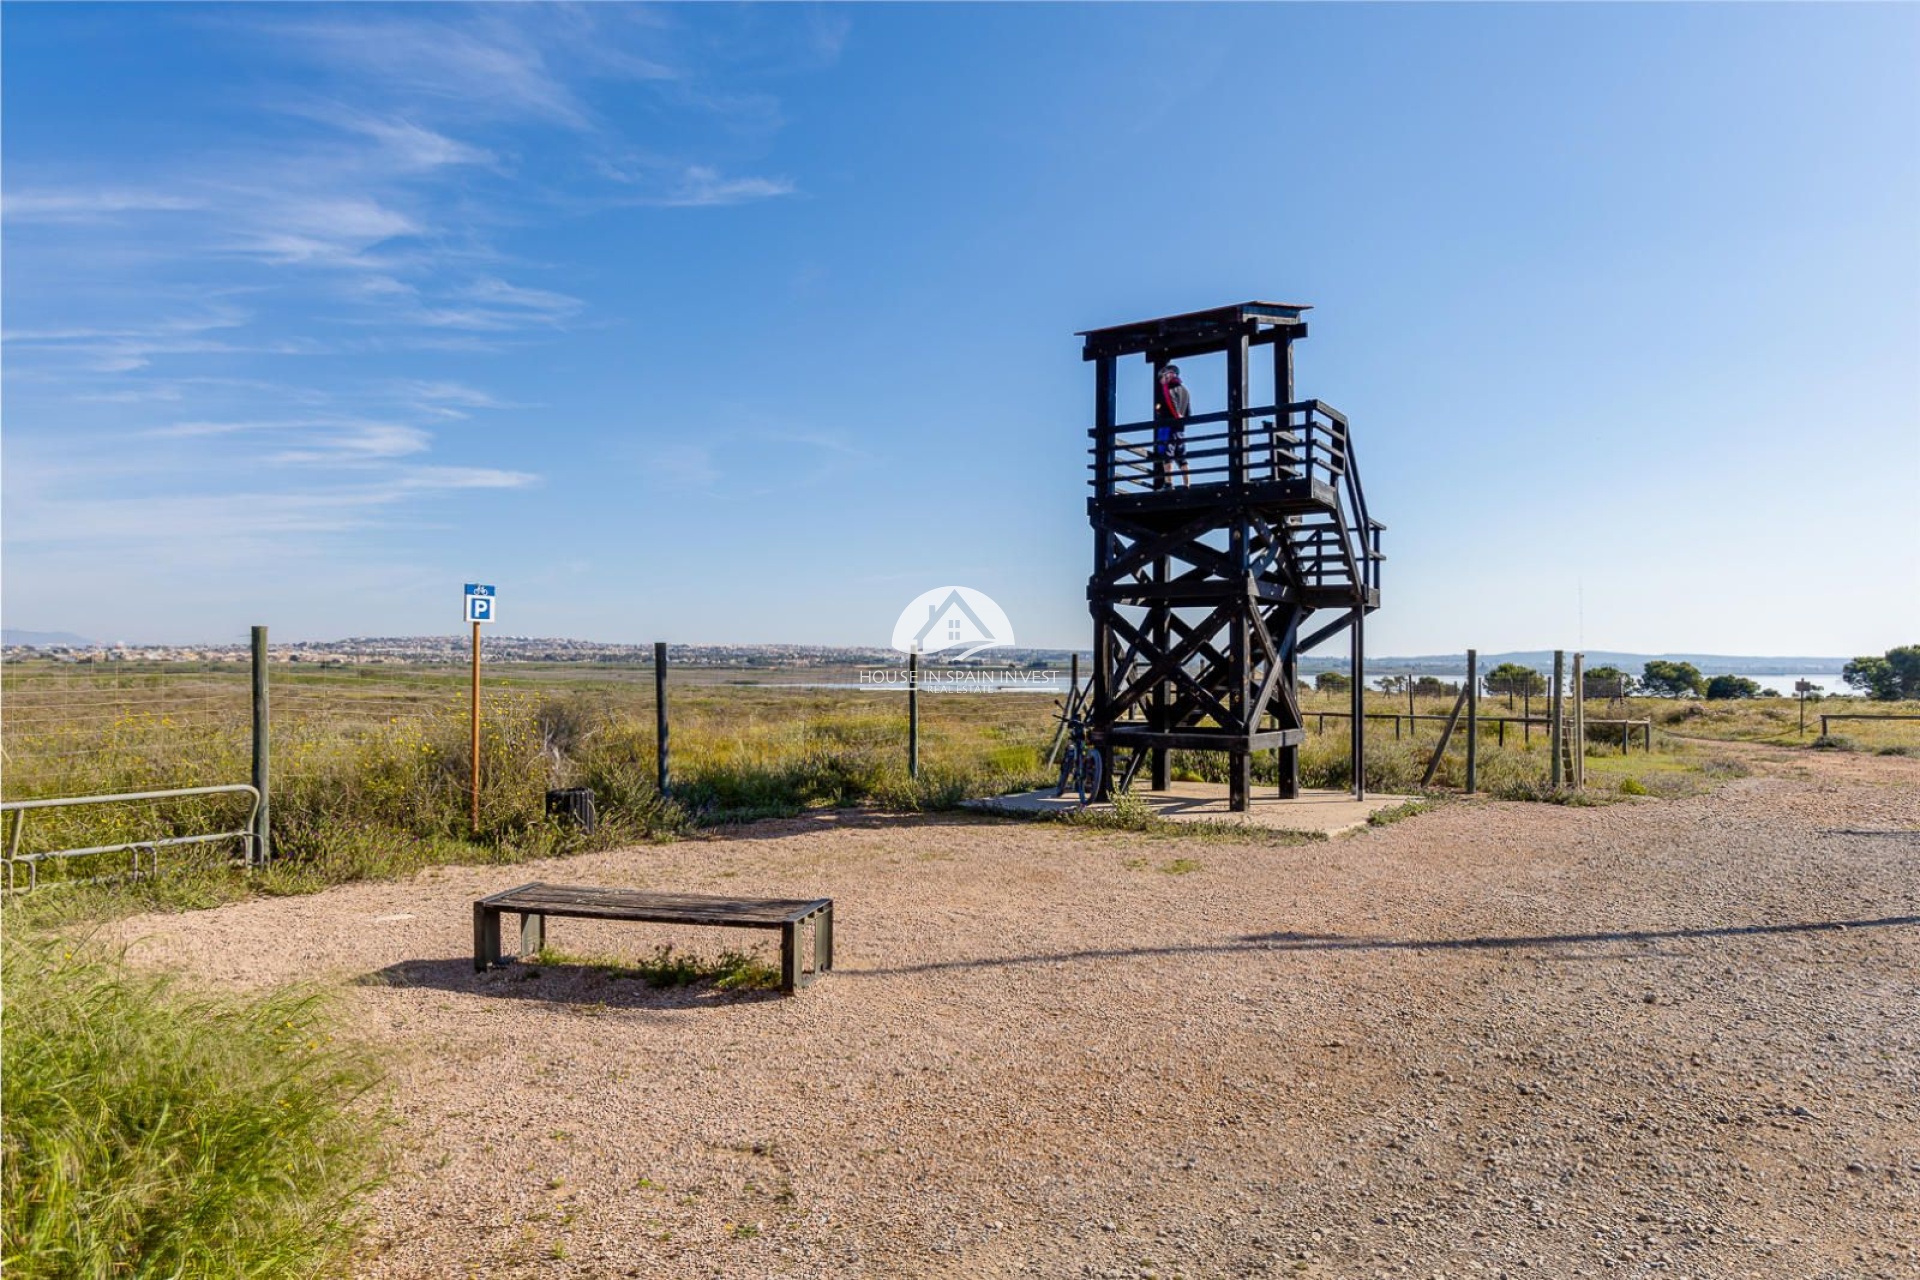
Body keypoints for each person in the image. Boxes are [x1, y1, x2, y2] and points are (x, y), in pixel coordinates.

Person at [1153, 363, 1190, 487]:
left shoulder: (1167, 388)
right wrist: (1181, 420)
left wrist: (1173, 414)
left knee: (1166, 454)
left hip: (1168, 427)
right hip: (1180, 430)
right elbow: (1189, 413)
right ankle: (1187, 484)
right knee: (1182, 457)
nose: (1161, 380)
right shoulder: (1185, 391)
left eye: (1162, 377)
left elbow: (1170, 402)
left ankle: (1168, 483)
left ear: (1166, 375)